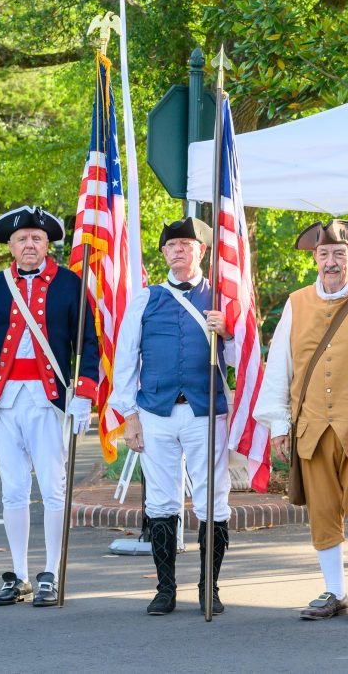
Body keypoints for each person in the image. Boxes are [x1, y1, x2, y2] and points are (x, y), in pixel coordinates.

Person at [0, 206, 98, 608]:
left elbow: (88, 343)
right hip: (4, 403)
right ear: (11, 245)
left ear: (47, 245)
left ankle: (51, 573)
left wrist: (85, 394)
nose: (29, 245)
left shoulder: (70, 284)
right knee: (13, 492)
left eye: (36, 239)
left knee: (54, 491)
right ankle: (20, 575)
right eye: (22, 239)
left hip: (49, 402)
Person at [254, 219, 348, 623]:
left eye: (339, 255)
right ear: (315, 257)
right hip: (311, 427)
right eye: (324, 254)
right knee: (323, 512)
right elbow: (280, 366)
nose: (331, 262)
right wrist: (279, 425)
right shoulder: (296, 302)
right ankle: (335, 592)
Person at [110, 216, 235, 616]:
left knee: (212, 501)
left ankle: (208, 588)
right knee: (161, 502)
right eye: (172, 245)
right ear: (163, 252)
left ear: (202, 251)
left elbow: (241, 361)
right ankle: (165, 589)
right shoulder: (146, 299)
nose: (179, 250)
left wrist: (227, 332)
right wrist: (129, 415)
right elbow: (126, 359)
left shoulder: (222, 300)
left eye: (187, 244)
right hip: (156, 413)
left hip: (206, 411)